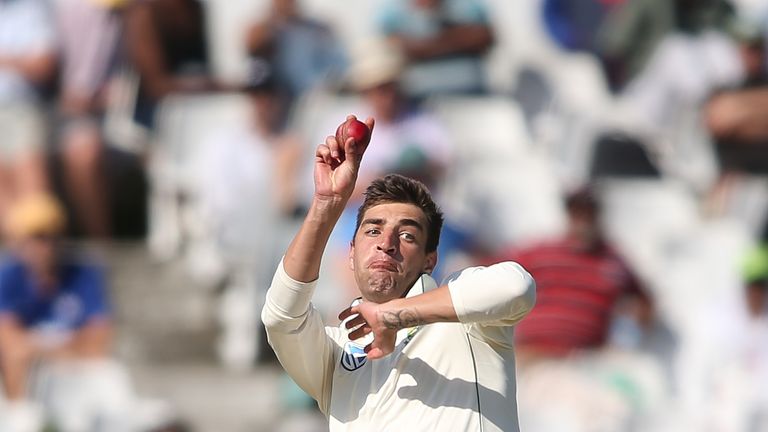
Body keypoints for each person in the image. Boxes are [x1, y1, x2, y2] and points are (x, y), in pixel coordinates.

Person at [261, 115, 537, 430]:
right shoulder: (334, 351)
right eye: (373, 231)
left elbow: (517, 286)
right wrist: (328, 202)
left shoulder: (468, 317)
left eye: (407, 235)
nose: (387, 244)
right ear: (351, 254)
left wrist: (395, 316)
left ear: (429, 260)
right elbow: (281, 317)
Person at [0, 0, 57, 223]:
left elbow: (45, 65)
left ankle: (37, 249)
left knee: (34, 198)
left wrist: (5, 60)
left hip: (23, 110)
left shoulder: (32, 8)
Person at [376, 0, 495, 99]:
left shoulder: (467, 5)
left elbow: (484, 37)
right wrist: (457, 38)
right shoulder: (392, 11)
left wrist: (424, 46)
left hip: (471, 96)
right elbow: (388, 47)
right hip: (417, 101)